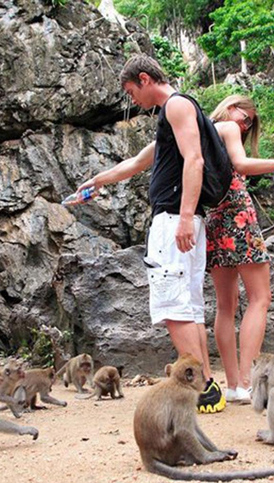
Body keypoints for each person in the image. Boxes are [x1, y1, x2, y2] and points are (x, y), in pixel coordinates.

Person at [75, 55, 225, 413]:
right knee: (188, 309)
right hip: (181, 219)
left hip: (176, 219)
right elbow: (139, 162)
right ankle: (207, 385)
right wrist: (96, 181)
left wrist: (186, 217)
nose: (133, 101)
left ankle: (202, 389)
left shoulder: (176, 106)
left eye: (131, 92)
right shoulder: (175, 114)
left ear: (145, 79)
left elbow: (195, 161)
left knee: (173, 307)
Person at [207, 95, 274, 404]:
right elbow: (242, 165)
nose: (245, 122)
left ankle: (233, 384)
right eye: (244, 114)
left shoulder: (202, 132)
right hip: (238, 217)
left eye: (250, 122)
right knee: (260, 298)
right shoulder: (226, 127)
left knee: (226, 305)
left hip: (214, 219)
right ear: (229, 105)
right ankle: (249, 383)